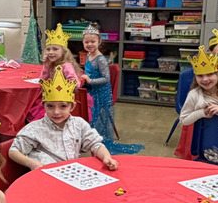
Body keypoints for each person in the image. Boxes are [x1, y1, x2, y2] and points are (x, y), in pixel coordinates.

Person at [10, 66, 119, 171]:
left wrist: (106, 157)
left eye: (63, 106)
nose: (56, 112)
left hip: (70, 173)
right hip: (46, 177)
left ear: (72, 106)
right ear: (44, 106)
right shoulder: (34, 128)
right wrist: (32, 163)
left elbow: (96, 144)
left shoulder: (79, 124)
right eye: (50, 106)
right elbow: (14, 151)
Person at [79, 24, 130, 155]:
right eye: (86, 42)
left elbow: (106, 78)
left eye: (93, 41)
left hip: (101, 94)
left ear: (99, 42)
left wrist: (90, 81)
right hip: (92, 91)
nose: (89, 44)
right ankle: (89, 137)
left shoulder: (100, 59)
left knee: (96, 117)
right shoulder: (89, 56)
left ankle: (97, 141)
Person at [26, 23, 86, 122]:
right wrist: (46, 66)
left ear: (64, 52)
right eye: (48, 49)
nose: (50, 52)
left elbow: (76, 83)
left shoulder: (66, 65)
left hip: (62, 100)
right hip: (52, 97)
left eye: (55, 49)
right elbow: (43, 80)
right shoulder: (51, 64)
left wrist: (64, 88)